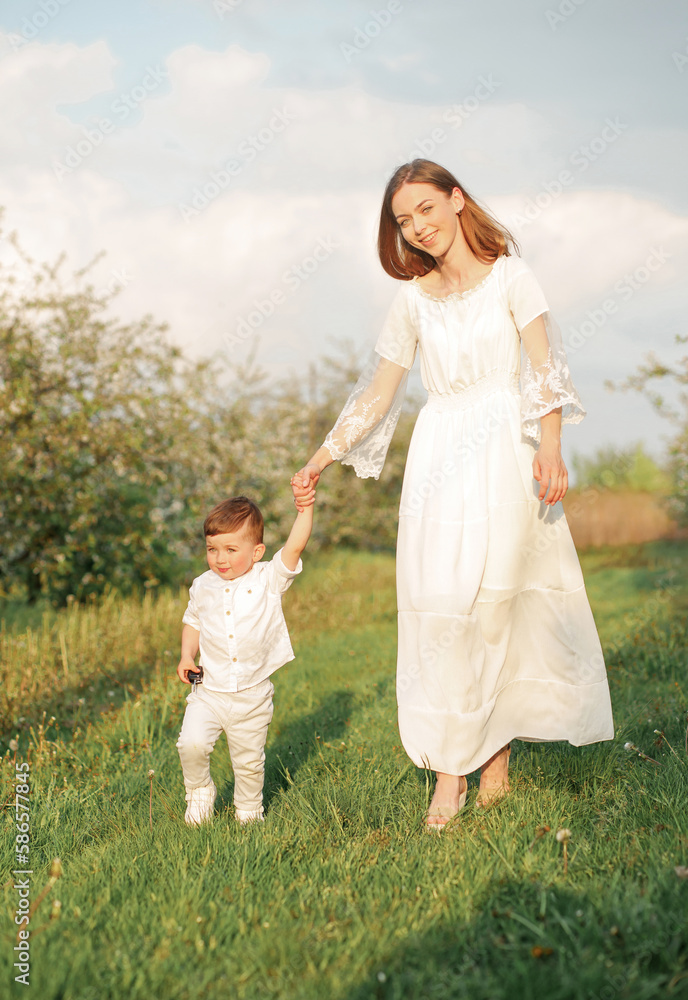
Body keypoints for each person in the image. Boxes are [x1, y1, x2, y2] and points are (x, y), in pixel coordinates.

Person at [291, 159, 614, 830]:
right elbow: (379, 392)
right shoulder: (411, 299)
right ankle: (449, 773)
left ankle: (492, 759)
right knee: (442, 607)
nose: (417, 227)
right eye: (403, 220)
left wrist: (551, 445)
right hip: (440, 455)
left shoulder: (512, 277)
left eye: (425, 209)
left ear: (456, 199)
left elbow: (544, 367)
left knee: (495, 605)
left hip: (506, 448)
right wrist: (323, 455)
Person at [176, 494, 314, 825]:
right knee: (191, 744)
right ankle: (199, 792)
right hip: (209, 691)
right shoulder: (202, 585)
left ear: (256, 552)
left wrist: (305, 508)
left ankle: (249, 811)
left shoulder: (268, 579)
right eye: (212, 549)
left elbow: (295, 547)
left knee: (249, 763)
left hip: (252, 695)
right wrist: (186, 655)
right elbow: (193, 621)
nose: (220, 558)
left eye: (231, 549)